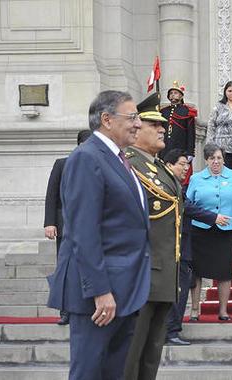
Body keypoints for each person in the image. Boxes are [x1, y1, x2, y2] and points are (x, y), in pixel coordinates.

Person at [46, 90, 150, 380]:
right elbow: (82, 231)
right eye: (132, 117)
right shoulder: (86, 157)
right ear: (107, 119)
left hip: (124, 290)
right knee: (89, 373)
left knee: (112, 373)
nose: (139, 124)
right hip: (98, 296)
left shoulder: (118, 158)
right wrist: (100, 291)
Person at [123, 93, 185, 379]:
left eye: (162, 124)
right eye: (153, 124)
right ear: (135, 129)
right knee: (131, 355)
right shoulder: (129, 164)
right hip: (143, 273)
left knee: (151, 355)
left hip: (165, 273)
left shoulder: (159, 167)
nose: (162, 129)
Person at [163, 150, 226, 344]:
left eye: (187, 164)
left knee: (181, 287)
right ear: (168, 165)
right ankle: (171, 330)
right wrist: (213, 217)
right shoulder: (167, 185)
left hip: (181, 245)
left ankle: (172, 328)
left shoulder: (176, 184)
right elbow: (187, 207)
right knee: (179, 289)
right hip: (173, 247)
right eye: (182, 164)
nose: (186, 168)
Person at [186, 143, 232, 321]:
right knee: (197, 271)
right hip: (200, 230)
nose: (216, 161)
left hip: (226, 231)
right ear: (206, 160)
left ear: (224, 159)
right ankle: (194, 310)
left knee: (224, 271)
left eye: (219, 158)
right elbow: (188, 204)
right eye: (212, 158)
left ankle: (223, 310)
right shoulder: (196, 179)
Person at [43, 129, 91, 326]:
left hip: (89, 226)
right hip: (65, 225)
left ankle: (84, 307)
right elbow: (51, 194)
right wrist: (49, 222)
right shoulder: (63, 163)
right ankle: (65, 311)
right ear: (79, 144)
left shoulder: (97, 165)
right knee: (64, 268)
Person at [160, 81, 198, 163]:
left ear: (181, 96)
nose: (173, 94)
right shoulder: (163, 111)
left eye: (175, 93)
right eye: (171, 93)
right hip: (165, 148)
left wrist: (190, 152)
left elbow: (191, 134)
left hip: (181, 148)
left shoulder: (187, 111)